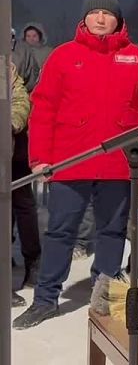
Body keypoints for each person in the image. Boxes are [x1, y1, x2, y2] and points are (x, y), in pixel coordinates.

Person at [14, 0, 138, 329]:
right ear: (84, 20)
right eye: (94, 13)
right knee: (60, 232)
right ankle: (46, 299)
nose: (100, 19)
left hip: (117, 163)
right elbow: (44, 110)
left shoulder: (136, 58)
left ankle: (103, 296)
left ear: (118, 21)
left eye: (106, 14)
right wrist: (40, 158)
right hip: (71, 160)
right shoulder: (63, 56)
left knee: (112, 232)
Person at [10, 61, 35, 307]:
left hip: (11, 152)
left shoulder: (6, 67)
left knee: (23, 206)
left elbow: (19, 100)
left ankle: (33, 264)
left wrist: (10, 124)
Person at [11, 28, 40, 93]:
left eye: (34, 36)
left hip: (17, 97)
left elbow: (32, 79)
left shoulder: (23, 50)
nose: (31, 39)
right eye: (28, 36)